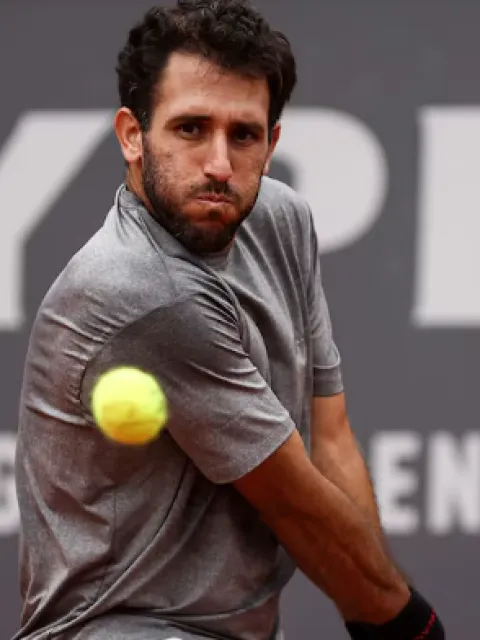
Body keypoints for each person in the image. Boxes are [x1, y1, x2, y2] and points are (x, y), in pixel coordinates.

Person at [13, 1, 445, 639]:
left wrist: (376, 614)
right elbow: (296, 506)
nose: (219, 164)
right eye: (191, 128)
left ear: (272, 145)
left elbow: (329, 440)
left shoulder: (282, 221)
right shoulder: (141, 289)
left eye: (243, 135)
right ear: (132, 135)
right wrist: (406, 624)